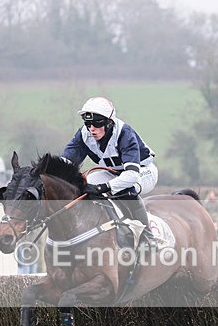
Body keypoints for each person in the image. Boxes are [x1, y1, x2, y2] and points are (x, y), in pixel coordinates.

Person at [61, 96, 158, 247]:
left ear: (109, 122)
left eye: (97, 123)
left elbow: (131, 175)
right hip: (112, 172)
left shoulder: (125, 134)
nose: (91, 129)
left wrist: (103, 187)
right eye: (88, 123)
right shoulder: (84, 134)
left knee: (126, 188)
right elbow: (65, 164)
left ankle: (147, 236)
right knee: (86, 184)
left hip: (142, 172)